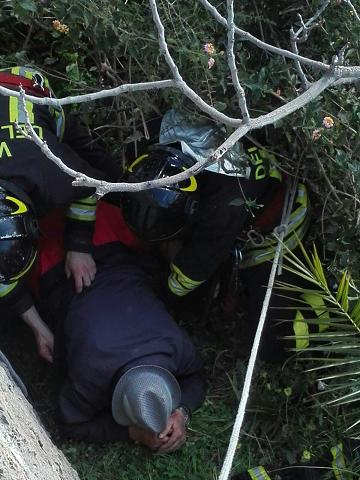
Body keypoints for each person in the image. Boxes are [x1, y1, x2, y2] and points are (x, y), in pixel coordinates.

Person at [120, 109, 310, 360]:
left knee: (268, 341)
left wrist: (160, 297)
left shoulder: (220, 211)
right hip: (245, 196)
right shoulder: (169, 130)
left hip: (279, 227)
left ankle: (320, 313)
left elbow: (189, 275)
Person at [32, 200, 205, 451]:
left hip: (110, 231)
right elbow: (70, 424)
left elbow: (197, 375)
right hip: (55, 258)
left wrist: (181, 413)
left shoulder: (175, 345)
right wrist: (131, 432)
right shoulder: (90, 375)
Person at [0, 66, 119, 362]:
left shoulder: (52, 174)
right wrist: (39, 328)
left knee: (101, 163)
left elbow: (90, 185)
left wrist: (78, 246)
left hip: (27, 88)